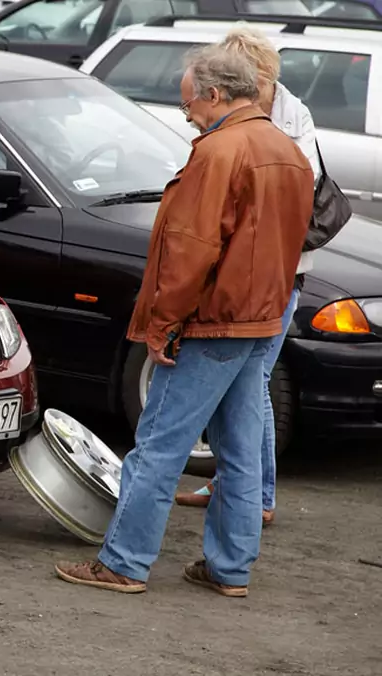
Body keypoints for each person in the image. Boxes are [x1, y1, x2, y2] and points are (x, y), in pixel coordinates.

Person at [54, 44, 314, 597]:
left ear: (216, 95)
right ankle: (229, 570)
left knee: (158, 444)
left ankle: (123, 562)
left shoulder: (219, 152)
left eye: (188, 104)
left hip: (213, 322)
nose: (188, 114)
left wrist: (163, 323)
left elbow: (192, 250)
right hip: (261, 319)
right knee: (241, 450)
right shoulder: (287, 151)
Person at [175, 27, 321, 526]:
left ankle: (256, 495)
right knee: (244, 388)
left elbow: (289, 191)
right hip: (261, 271)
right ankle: (241, 492)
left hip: (273, 274)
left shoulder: (286, 118)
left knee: (251, 385)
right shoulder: (246, 119)